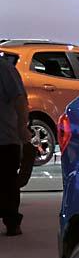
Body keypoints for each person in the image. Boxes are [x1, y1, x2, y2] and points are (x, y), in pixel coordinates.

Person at [0, 53, 30, 236]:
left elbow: (20, 99)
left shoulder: (4, 69)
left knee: (8, 182)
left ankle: (12, 221)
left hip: (5, 138)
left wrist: (22, 127)